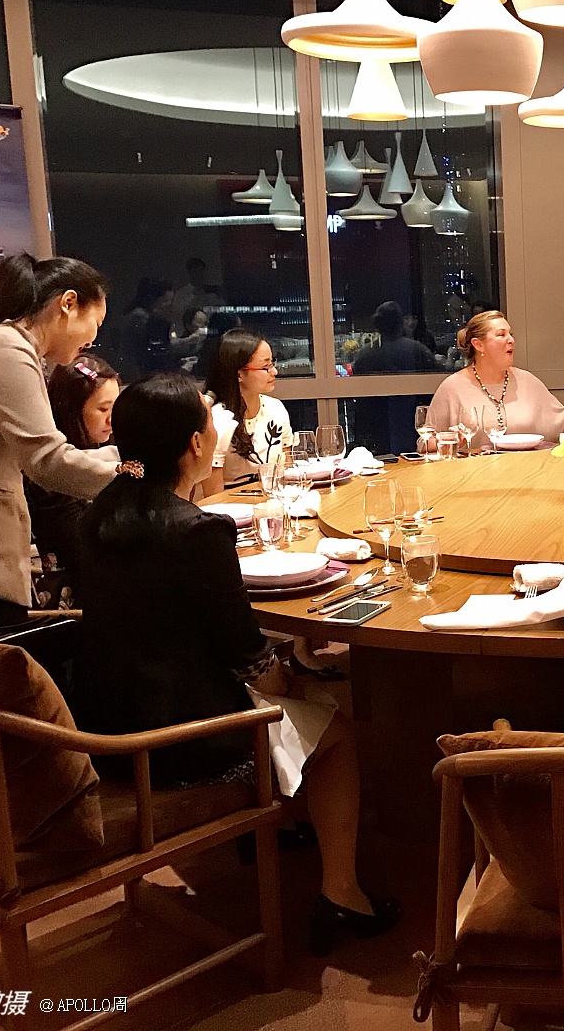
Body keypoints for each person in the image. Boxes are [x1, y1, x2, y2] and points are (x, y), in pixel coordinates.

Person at [70, 373, 398, 953]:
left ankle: (282, 827)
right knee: (335, 730)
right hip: (184, 741)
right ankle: (342, 895)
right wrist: (290, 677)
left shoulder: (95, 519)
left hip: (106, 728)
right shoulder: (198, 531)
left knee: (300, 693)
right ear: (195, 444)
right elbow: (247, 656)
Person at [0, 254, 120, 639]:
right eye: (95, 323)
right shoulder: (5, 348)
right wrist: (137, 475)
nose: (93, 339)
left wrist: (126, 462)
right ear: (67, 304)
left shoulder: (8, 346)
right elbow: (47, 462)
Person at [427, 311, 564, 441]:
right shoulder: (452, 388)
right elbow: (425, 443)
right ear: (478, 345)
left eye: (511, 334)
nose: (511, 340)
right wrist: (450, 440)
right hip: (473, 480)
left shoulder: (526, 381)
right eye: (501, 335)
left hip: (527, 476)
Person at [24, 354, 120, 608]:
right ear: (72, 410)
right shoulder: (52, 473)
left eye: (116, 408)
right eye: (103, 409)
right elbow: (86, 549)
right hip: (72, 600)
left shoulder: (112, 449)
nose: (112, 419)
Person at [203, 328, 293, 491]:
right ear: (239, 374)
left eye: (273, 363)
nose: (274, 371)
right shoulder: (218, 420)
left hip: (274, 501)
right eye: (266, 367)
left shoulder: (275, 408)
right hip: (230, 506)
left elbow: (288, 473)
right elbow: (212, 497)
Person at [352, 302, 439, 374]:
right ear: (401, 324)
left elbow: (356, 373)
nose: (411, 323)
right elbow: (436, 371)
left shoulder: (364, 353)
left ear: (377, 326)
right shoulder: (417, 349)